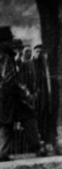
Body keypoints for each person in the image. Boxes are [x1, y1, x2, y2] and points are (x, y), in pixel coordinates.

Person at [1, 26, 46, 160]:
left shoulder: (5, 55)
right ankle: (37, 147)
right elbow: (9, 79)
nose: (11, 43)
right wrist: (25, 93)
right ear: (2, 42)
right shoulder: (5, 57)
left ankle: (2, 152)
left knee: (6, 124)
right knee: (28, 117)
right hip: (10, 96)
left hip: (5, 97)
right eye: (8, 40)